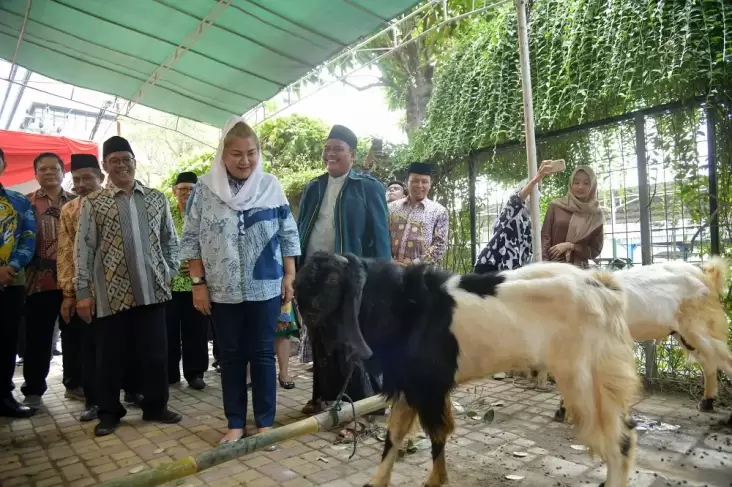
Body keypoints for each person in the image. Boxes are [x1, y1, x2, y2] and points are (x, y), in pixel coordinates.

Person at [180, 117, 300, 444]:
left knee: (262, 354)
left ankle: (265, 423)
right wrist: (198, 284)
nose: (245, 160)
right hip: (221, 289)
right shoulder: (204, 190)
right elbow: (190, 239)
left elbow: (288, 233)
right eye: (237, 154)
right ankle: (235, 423)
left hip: (265, 285)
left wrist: (289, 275)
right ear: (223, 155)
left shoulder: (270, 186)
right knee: (230, 356)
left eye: (251, 152)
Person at [75, 136, 181, 436]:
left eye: (126, 158)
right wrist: (83, 292)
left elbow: (170, 240)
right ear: (105, 166)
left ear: (134, 161)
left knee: (156, 354)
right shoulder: (94, 202)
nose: (121, 164)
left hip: (153, 290)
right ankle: (109, 412)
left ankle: (156, 407)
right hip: (110, 294)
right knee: (110, 357)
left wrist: (167, 271)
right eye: (114, 160)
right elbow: (84, 249)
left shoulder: (156, 198)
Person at [296, 124, 390, 438]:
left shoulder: (368, 187)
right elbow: (300, 230)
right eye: (328, 148)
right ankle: (323, 394)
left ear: (352, 154)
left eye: (338, 148)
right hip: (315, 276)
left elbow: (379, 234)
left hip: (349, 276)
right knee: (320, 338)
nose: (331, 153)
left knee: (351, 336)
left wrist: (381, 275)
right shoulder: (313, 186)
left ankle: (362, 402)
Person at [22, 153, 76, 408]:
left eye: (53, 168)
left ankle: (75, 383)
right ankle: (33, 388)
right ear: (35, 174)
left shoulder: (77, 202)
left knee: (75, 336)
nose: (48, 172)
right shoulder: (26, 204)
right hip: (38, 282)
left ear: (62, 172)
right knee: (38, 338)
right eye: (42, 169)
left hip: (72, 283)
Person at [58, 154, 108, 421]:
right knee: (89, 347)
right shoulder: (69, 210)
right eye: (76, 179)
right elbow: (65, 253)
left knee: (124, 342)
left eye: (87, 177)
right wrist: (69, 293)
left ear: (101, 178)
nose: (81, 184)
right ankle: (94, 400)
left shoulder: (113, 203)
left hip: (116, 288)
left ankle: (134, 391)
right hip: (85, 290)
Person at [0, 147, 37, 418]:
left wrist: (10, 267)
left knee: (6, 341)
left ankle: (4, 398)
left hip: (10, 282)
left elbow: (28, 237)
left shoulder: (18, 201)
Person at [167, 171, 208, 390]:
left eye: (191, 189)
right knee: (169, 330)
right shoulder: (166, 213)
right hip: (170, 284)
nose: (186, 193)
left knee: (196, 331)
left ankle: (196, 373)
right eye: (182, 189)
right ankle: (170, 373)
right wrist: (174, 265)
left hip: (197, 284)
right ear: (174, 191)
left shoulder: (204, 215)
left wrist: (197, 267)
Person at [475, 160, 554, 274]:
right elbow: (517, 199)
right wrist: (537, 178)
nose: (534, 197)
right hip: (491, 266)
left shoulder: (532, 222)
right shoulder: (510, 212)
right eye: (531, 193)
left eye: (537, 194)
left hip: (511, 271)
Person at [541, 165, 604, 267]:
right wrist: (544, 266)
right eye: (576, 182)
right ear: (571, 184)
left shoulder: (595, 215)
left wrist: (571, 246)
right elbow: (544, 238)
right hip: (553, 269)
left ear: (592, 185)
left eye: (586, 183)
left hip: (579, 272)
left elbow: (595, 250)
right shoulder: (556, 206)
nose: (580, 187)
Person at [388, 162, 449, 266]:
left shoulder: (439, 211)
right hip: (390, 270)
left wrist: (414, 264)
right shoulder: (391, 208)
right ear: (407, 182)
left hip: (421, 274)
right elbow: (382, 236)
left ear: (430, 184)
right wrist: (390, 261)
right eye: (415, 181)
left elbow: (440, 245)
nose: (420, 185)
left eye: (424, 182)